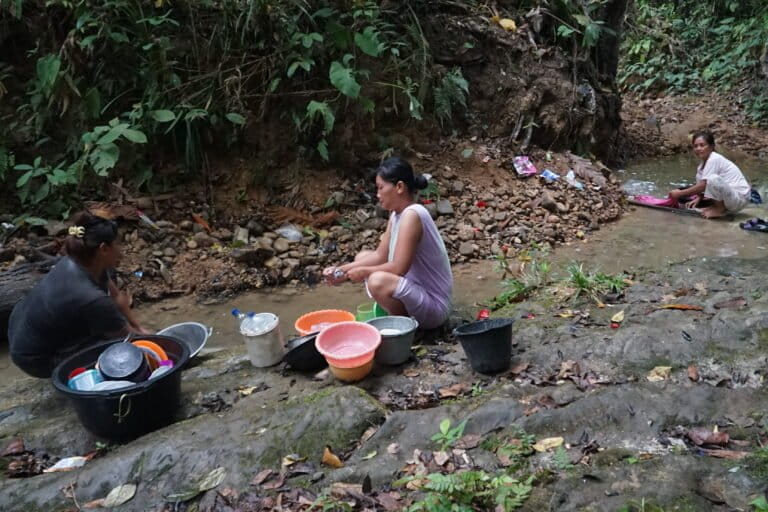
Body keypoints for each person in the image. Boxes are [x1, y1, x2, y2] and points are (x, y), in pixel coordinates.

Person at [8, 212, 149, 378]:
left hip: (22, 328)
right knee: (119, 350)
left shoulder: (80, 261)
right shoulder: (92, 298)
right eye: (117, 244)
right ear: (103, 248)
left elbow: (117, 298)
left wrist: (138, 326)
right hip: (35, 358)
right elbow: (127, 337)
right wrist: (150, 340)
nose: (120, 250)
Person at [324, 157, 453, 329]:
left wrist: (363, 272)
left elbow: (399, 268)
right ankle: (401, 317)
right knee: (363, 256)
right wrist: (342, 270)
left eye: (381, 188)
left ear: (399, 187)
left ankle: (405, 328)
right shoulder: (397, 214)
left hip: (435, 307)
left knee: (376, 281)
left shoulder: (412, 215)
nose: (377, 195)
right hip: (419, 294)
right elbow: (380, 255)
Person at [668, 131, 750, 218]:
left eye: (702, 145)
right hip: (730, 198)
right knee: (708, 180)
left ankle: (719, 209)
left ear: (711, 147)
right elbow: (702, 188)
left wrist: (680, 193)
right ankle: (718, 207)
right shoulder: (701, 167)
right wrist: (698, 198)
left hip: (740, 198)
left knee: (712, 179)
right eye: (695, 146)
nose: (698, 148)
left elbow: (704, 185)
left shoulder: (714, 158)